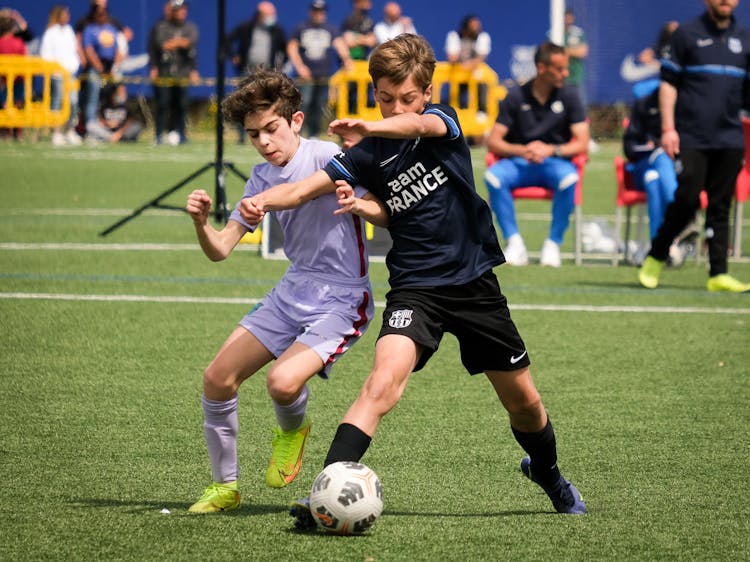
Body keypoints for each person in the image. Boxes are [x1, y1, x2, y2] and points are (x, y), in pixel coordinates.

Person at [239, 34, 586, 523]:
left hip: (473, 284)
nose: (395, 106)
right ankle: (320, 495)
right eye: (384, 98)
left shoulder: (441, 122)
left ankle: (548, 473)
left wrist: (374, 123)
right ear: (374, 92)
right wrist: (262, 204)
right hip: (416, 288)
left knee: (524, 402)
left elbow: (418, 123)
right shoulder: (366, 153)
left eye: (405, 97)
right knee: (381, 384)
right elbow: (303, 192)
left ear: (425, 92)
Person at [184, 67, 377, 513]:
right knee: (216, 379)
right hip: (294, 288)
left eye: (271, 129)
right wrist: (201, 223)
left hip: (344, 297)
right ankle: (224, 488)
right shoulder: (258, 177)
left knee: (281, 383)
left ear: (294, 121)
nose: (265, 142)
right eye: (253, 135)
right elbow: (221, 250)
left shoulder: (328, 155)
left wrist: (360, 205)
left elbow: (366, 204)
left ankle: (292, 431)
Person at [639, 0, 750, 293]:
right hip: (691, 136)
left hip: (730, 138)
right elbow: (668, 84)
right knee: (687, 199)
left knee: (720, 206)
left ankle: (718, 274)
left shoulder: (745, 38)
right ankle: (656, 256)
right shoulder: (686, 34)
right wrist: (667, 128)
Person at [483, 41, 590, 267]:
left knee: (570, 178)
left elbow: (582, 143)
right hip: (519, 163)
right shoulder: (515, 97)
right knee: (493, 177)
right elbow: (493, 141)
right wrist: (522, 150)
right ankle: (514, 242)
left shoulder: (570, 95)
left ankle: (553, 244)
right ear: (542, 68)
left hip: (554, 163)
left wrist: (552, 149)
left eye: (566, 68)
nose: (566, 73)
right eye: (560, 69)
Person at [287, 0, 352, 138]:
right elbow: (292, 47)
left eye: (321, 11)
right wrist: (300, 67)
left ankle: (313, 134)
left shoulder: (330, 29)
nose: (319, 14)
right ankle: (297, 133)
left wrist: (346, 59)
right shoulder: (301, 28)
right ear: (311, 12)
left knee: (319, 105)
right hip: (306, 76)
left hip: (323, 76)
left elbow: (339, 44)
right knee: (304, 104)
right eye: (316, 11)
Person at [623, 85, 678, 244]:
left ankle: (658, 246)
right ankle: (679, 215)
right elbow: (629, 148)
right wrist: (654, 146)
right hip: (642, 166)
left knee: (653, 179)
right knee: (660, 156)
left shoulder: (683, 106)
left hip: (669, 172)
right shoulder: (643, 105)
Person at [226, 1, 287, 143]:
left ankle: (267, 132)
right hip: (247, 72)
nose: (272, 17)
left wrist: (281, 65)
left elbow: (284, 49)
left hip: (268, 74)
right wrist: (234, 56)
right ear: (260, 14)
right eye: (269, 14)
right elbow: (228, 40)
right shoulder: (247, 27)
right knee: (244, 104)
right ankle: (242, 136)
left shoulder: (276, 30)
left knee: (267, 104)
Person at [74, 0, 132, 137]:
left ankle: (119, 124)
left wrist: (114, 67)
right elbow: (88, 50)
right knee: (93, 95)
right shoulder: (89, 28)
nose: (102, 16)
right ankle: (90, 124)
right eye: (99, 14)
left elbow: (118, 48)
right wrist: (99, 68)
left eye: (104, 14)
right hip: (95, 68)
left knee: (118, 92)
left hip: (111, 68)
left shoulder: (111, 27)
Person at [148, 0, 199, 145]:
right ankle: (158, 134)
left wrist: (176, 43)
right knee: (163, 104)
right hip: (165, 72)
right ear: (173, 11)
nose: (182, 13)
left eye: (184, 10)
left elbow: (190, 43)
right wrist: (179, 42)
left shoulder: (190, 27)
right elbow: (162, 45)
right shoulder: (162, 26)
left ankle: (181, 134)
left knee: (181, 105)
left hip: (182, 73)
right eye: (179, 10)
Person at [39, 4, 83, 146]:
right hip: (57, 75)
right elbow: (45, 54)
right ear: (58, 16)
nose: (67, 17)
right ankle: (56, 132)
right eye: (65, 14)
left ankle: (70, 130)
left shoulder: (69, 31)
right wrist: (55, 70)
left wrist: (74, 66)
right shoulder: (51, 32)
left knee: (73, 103)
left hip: (71, 74)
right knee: (57, 102)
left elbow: (73, 51)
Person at [444, 14, 491, 118]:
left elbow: (481, 58)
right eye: (473, 26)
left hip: (475, 71)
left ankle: (481, 111)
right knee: (454, 85)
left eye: (477, 26)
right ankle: (452, 110)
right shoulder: (454, 35)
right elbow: (452, 57)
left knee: (481, 77)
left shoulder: (483, 36)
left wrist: (470, 64)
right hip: (457, 71)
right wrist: (461, 64)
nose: (476, 29)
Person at [0, 9, 27, 141]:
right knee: (17, 104)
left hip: (4, 80)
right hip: (18, 79)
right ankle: (17, 131)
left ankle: (6, 131)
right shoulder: (18, 42)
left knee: (5, 104)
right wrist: (16, 16)